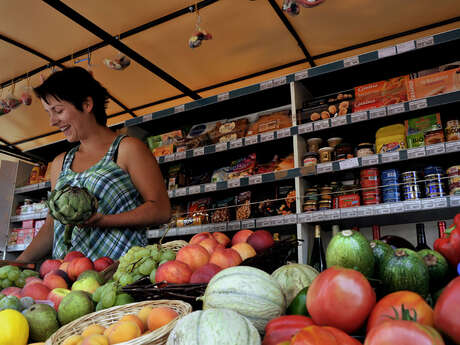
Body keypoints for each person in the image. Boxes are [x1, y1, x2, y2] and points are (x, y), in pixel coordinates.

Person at [17, 67, 171, 262]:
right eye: (49, 113)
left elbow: (161, 209)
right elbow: (51, 227)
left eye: (58, 111)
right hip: (66, 281)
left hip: (117, 277)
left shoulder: (127, 149)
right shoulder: (60, 163)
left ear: (87, 104)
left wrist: (105, 221)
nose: (52, 121)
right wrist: (17, 263)